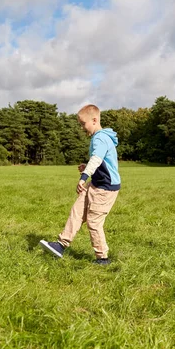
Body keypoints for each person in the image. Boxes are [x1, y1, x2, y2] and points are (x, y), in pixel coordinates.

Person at [40, 104, 121, 265]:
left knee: (94, 222)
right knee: (76, 211)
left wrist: (83, 177)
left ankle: (102, 258)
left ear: (94, 120)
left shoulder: (100, 137)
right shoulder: (99, 138)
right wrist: (87, 167)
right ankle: (61, 245)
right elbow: (99, 161)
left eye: (83, 124)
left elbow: (97, 159)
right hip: (96, 183)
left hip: (105, 188)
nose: (82, 127)